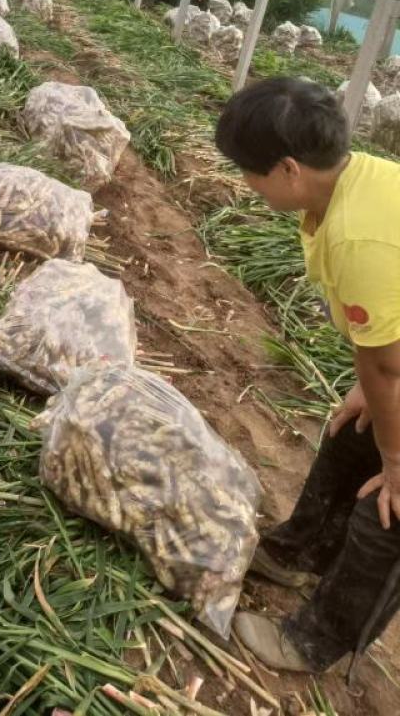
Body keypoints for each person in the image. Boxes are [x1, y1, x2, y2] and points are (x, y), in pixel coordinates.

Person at [215, 77, 400, 673]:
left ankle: (319, 640)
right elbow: (383, 349)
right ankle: (302, 551)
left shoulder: (357, 236)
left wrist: (396, 462)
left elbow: (388, 364)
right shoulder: (351, 185)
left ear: (290, 169)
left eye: (250, 171)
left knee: (391, 508)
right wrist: (366, 388)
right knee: (354, 432)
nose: (246, 184)